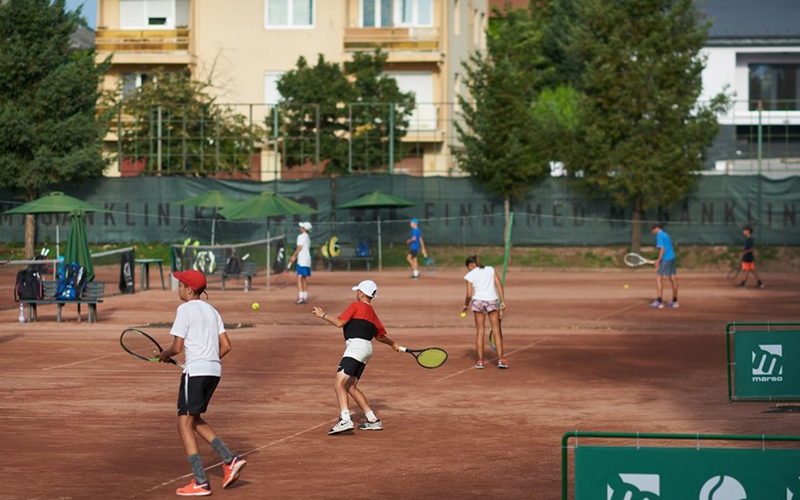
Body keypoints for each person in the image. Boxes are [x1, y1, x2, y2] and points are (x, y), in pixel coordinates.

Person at [159, 269, 247, 496]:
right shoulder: (212, 310)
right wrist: (207, 360)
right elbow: (226, 346)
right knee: (194, 418)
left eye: (180, 285)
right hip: (214, 370)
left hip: (196, 371)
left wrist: (165, 355)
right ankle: (230, 459)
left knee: (183, 424)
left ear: (189, 290)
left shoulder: (184, 309)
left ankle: (200, 481)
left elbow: (177, 347)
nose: (178, 289)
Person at [311, 280, 400, 435]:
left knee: (338, 384)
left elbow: (340, 323)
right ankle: (372, 420)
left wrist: (323, 315)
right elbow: (380, 336)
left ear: (362, 293)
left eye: (358, 290)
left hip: (356, 348)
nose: (356, 292)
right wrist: (392, 343)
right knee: (350, 386)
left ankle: (345, 420)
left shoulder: (355, 305)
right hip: (367, 349)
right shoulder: (373, 313)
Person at [462, 255, 508, 369]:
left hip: (478, 302)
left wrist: (466, 305)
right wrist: (503, 300)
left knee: (480, 332)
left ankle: (480, 362)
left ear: (470, 265)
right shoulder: (490, 269)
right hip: (492, 300)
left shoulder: (469, 275)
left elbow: (469, 294)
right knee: (496, 331)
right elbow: (499, 285)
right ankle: (501, 360)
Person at [649, 222, 679, 309]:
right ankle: (675, 301)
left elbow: (662, 249)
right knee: (673, 278)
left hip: (666, 259)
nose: (651, 231)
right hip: (672, 257)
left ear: (656, 228)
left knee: (658, 278)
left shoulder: (659, 235)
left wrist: (658, 260)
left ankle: (659, 302)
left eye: (652, 229)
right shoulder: (666, 234)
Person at [288, 221, 312, 304]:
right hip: (307, 259)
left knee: (299, 277)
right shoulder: (308, 237)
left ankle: (301, 297)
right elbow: (304, 249)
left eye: (302, 227)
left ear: (304, 229)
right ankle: (304, 296)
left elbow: (300, 247)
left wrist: (293, 256)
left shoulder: (301, 236)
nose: (300, 228)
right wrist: (296, 256)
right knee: (304, 278)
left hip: (302, 260)